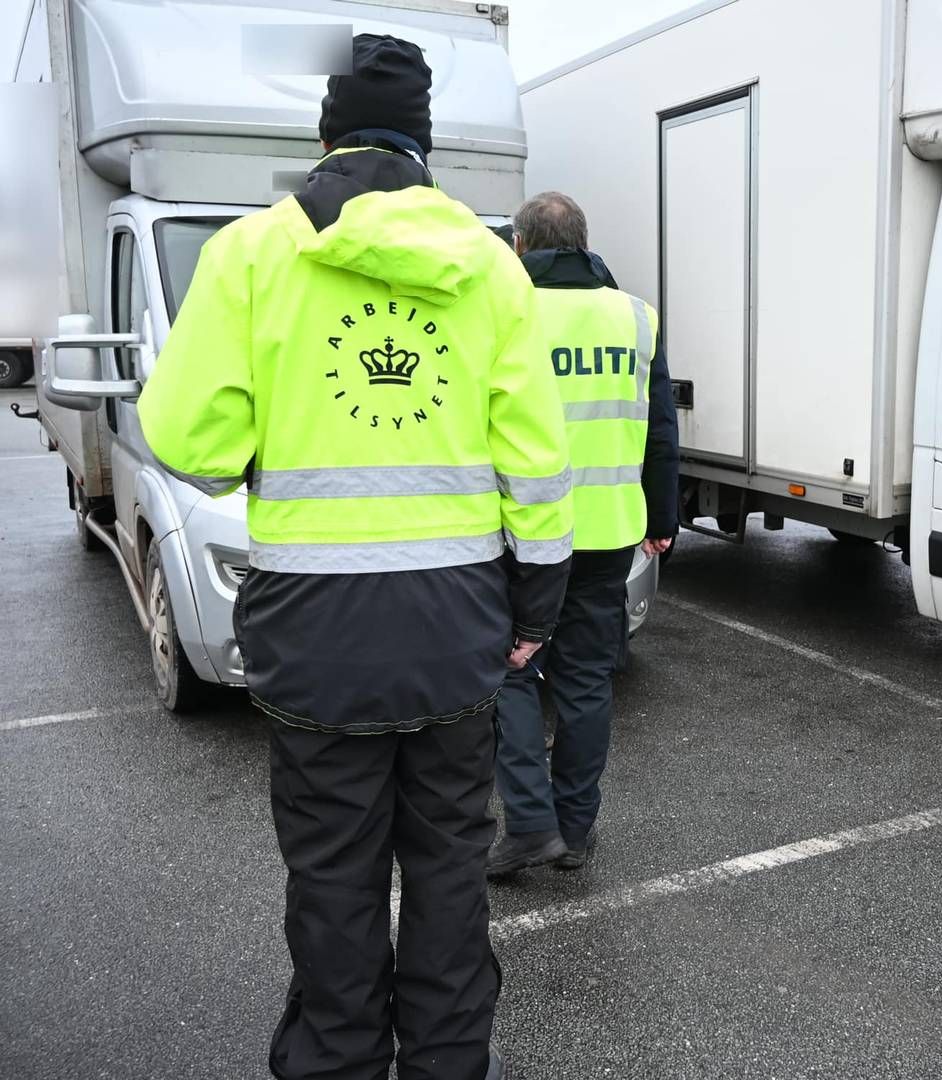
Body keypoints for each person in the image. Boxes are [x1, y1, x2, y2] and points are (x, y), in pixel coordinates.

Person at [137, 34, 573, 1080]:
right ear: (425, 151)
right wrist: (532, 616)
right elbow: (540, 469)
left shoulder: (252, 254)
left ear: (326, 138)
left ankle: (333, 1060)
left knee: (333, 884)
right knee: (448, 876)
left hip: (313, 639)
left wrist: (268, 443)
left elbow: (186, 439)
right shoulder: (492, 266)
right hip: (455, 635)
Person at [487, 192, 679, 876]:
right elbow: (660, 425)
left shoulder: (508, 310)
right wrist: (663, 518)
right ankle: (575, 831)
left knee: (506, 672)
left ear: (522, 245)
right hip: (609, 534)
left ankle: (531, 824)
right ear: (581, 241)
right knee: (586, 682)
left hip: (523, 536)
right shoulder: (635, 316)